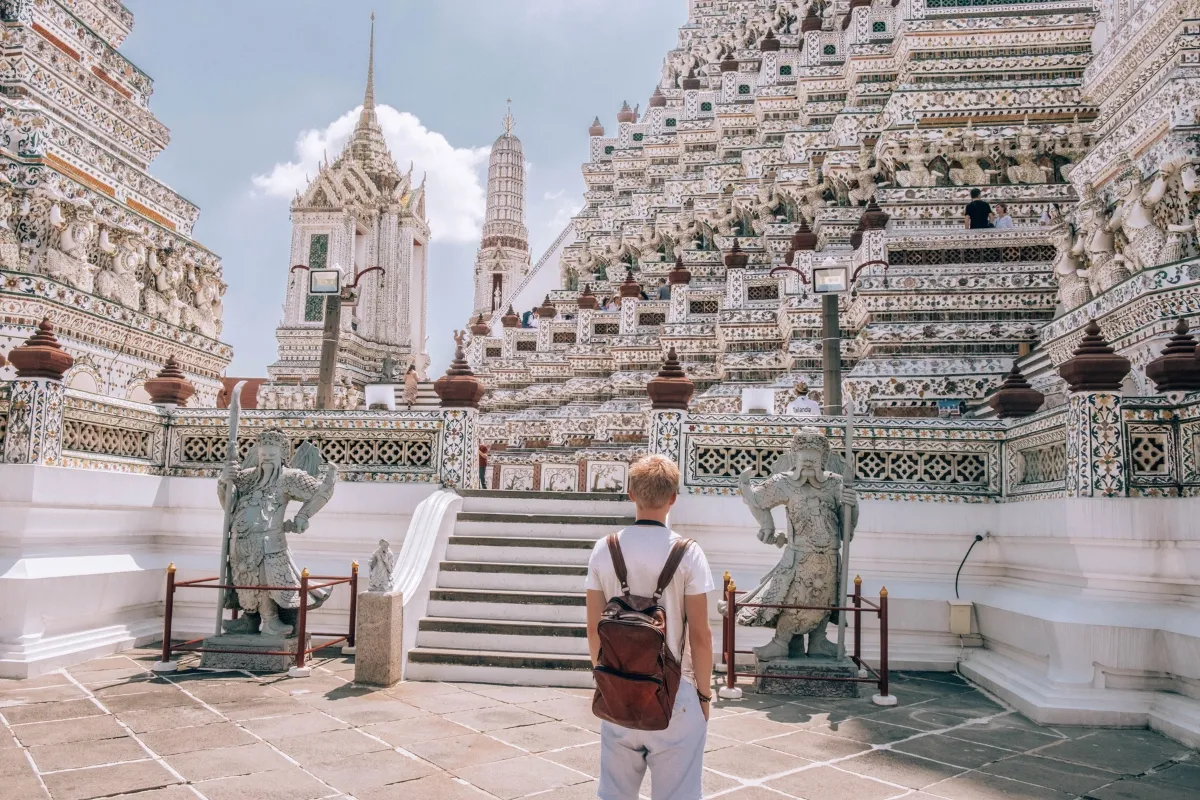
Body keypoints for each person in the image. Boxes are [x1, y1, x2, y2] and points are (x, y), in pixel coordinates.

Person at [586, 454, 715, 800]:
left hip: (618, 688)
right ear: (673, 497)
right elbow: (701, 636)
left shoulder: (604, 549)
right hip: (675, 696)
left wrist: (609, 683)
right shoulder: (689, 554)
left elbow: (594, 630)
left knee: (613, 794)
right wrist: (704, 696)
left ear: (631, 494)